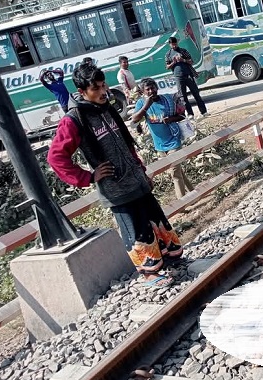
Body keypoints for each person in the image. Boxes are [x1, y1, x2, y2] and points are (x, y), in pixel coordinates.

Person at [47, 63, 183, 288]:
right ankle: (149, 273)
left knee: (154, 220)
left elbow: (127, 145)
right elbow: (56, 157)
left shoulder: (107, 109)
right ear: (82, 92)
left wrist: (141, 169)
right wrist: (89, 177)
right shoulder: (74, 119)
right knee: (136, 228)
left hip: (136, 179)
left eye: (103, 85)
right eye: (96, 88)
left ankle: (167, 260)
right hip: (117, 188)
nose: (103, 92)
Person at [132, 78, 194, 199]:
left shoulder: (168, 99)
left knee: (174, 172)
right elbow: (134, 120)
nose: (151, 91)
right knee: (177, 171)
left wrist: (170, 119)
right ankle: (193, 191)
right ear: (143, 92)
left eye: (153, 88)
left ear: (157, 88)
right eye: (148, 89)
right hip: (159, 145)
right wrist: (146, 105)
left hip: (174, 140)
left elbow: (181, 115)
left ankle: (182, 203)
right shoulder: (141, 103)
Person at [165, 37, 209, 120]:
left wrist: (183, 60)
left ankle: (204, 111)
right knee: (183, 97)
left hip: (188, 75)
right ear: (169, 44)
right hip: (178, 77)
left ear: (177, 43)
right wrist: (173, 63)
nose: (174, 46)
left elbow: (191, 61)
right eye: (172, 45)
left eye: (175, 44)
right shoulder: (168, 54)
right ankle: (190, 114)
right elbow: (167, 66)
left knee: (196, 93)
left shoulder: (183, 51)